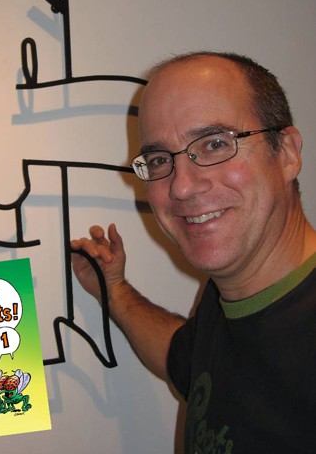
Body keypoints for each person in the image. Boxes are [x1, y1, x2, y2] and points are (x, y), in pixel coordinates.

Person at [71, 51, 316, 453]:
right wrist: (112, 288)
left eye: (215, 144)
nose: (182, 186)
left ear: (287, 153)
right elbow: (183, 356)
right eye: (159, 159)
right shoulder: (227, 298)